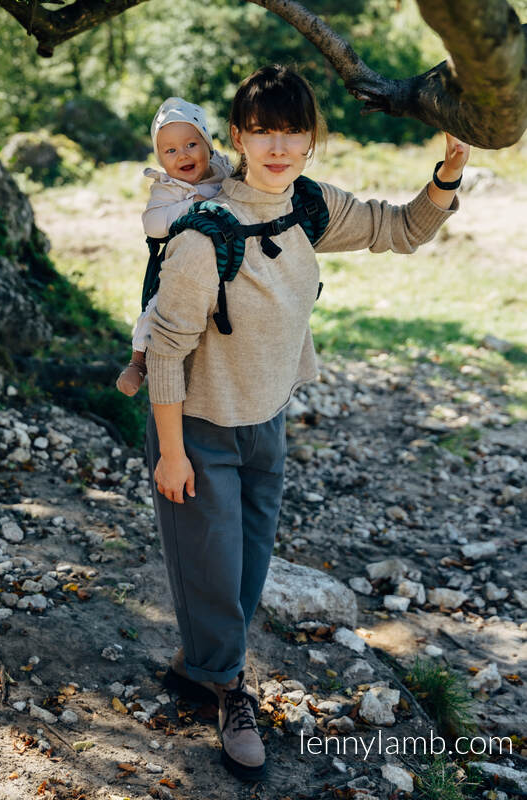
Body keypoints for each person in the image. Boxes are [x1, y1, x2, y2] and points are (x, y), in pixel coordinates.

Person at [144, 65, 470, 782]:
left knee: (246, 569)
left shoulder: (308, 206)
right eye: (262, 131)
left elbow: (400, 229)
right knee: (213, 565)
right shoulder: (204, 237)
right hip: (198, 428)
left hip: (268, 422)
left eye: (292, 131)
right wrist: (171, 453)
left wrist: (444, 176)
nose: (278, 146)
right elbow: (165, 350)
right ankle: (229, 690)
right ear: (237, 137)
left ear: (311, 140)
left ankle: (200, 664)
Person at [116, 96, 233, 396]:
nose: (182, 155)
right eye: (170, 150)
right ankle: (138, 361)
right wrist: (192, 206)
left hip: (224, 259)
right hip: (178, 263)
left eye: (191, 145)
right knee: (157, 307)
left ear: (207, 143)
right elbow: (153, 223)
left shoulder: (224, 172)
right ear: (161, 159)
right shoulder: (168, 188)